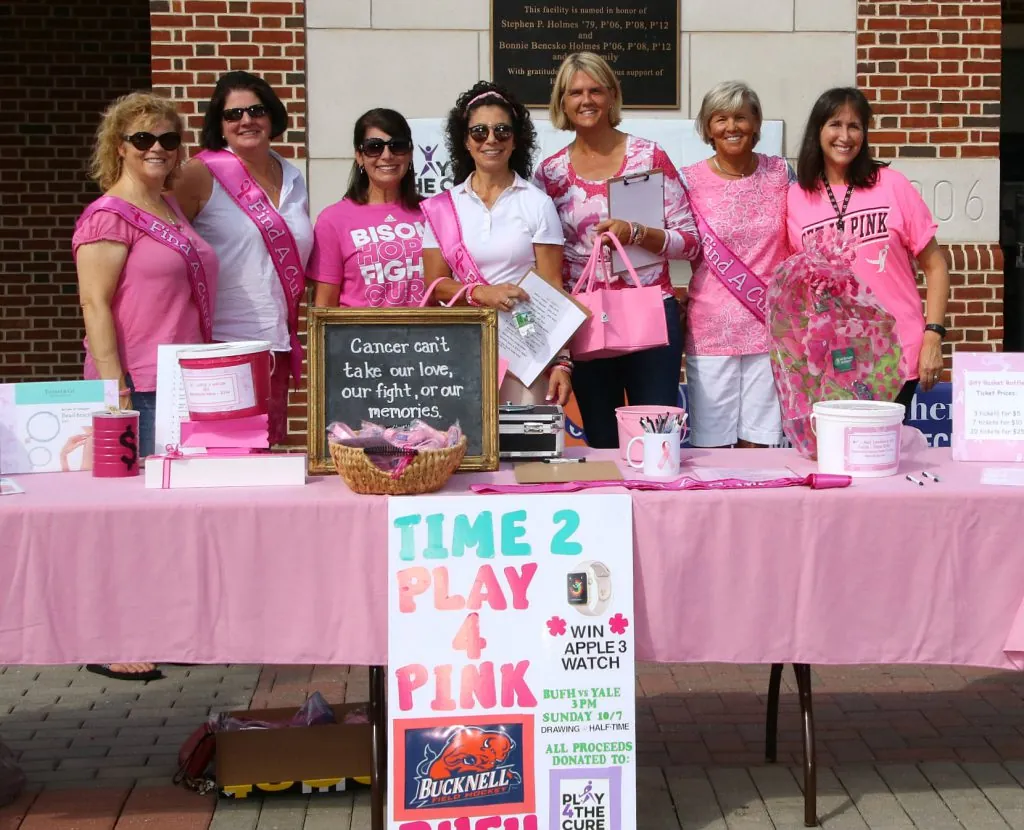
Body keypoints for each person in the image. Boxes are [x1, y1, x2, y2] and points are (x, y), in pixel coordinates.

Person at [74, 92, 218, 682]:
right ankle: (108, 638)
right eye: (143, 140)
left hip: (182, 383)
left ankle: (161, 628)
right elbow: (94, 304)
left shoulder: (169, 209)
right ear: (118, 147)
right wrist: (116, 391)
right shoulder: (108, 215)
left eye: (167, 139)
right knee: (126, 518)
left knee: (167, 517)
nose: (157, 148)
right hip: (138, 387)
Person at [534, 52, 699, 448]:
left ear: (612, 96)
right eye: (574, 92)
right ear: (561, 102)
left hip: (650, 316)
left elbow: (690, 242)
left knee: (657, 442)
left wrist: (637, 232)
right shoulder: (550, 173)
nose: (585, 100)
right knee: (603, 442)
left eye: (595, 90)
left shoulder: (648, 156)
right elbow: (545, 263)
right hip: (588, 319)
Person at [787, 87, 950, 417]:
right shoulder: (796, 197)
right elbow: (796, 284)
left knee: (879, 457)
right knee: (839, 458)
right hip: (832, 359)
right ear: (817, 131)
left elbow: (936, 267)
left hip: (895, 351)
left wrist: (933, 336)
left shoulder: (892, 184)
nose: (844, 136)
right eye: (835, 124)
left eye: (855, 126)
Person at [175, 71, 313, 445]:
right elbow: (167, 249)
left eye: (256, 110)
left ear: (273, 117)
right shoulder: (200, 174)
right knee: (228, 459)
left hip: (277, 345)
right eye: (233, 115)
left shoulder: (293, 177)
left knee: (270, 453)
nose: (246, 121)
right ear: (219, 125)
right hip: (222, 346)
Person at [421, 81, 572, 406]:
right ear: (465, 140)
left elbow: (553, 287)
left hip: (526, 340)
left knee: (525, 446)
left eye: (502, 131)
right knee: (467, 448)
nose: (491, 139)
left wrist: (561, 361)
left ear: (516, 139)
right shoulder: (444, 207)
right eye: (479, 132)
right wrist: (481, 293)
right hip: (463, 345)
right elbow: (434, 286)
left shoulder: (536, 203)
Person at [681, 81, 790, 448]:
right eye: (720, 118)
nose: (732, 127)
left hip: (768, 325)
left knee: (760, 444)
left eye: (741, 117)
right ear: (707, 129)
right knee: (710, 447)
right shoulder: (688, 180)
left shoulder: (781, 175)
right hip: (712, 329)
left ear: (756, 124)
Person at [309, 109, 424, 307]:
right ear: (359, 156)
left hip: (427, 337)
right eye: (374, 147)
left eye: (398, 146)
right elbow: (324, 305)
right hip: (359, 337)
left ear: (410, 153)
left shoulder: (434, 213)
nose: (387, 155)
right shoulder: (333, 220)